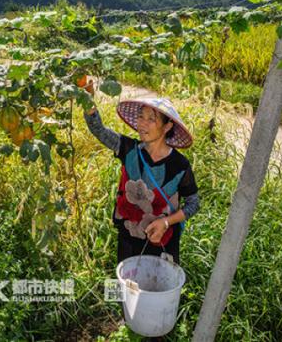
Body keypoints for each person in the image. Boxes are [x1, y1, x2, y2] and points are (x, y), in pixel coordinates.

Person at [83, 83, 200, 266]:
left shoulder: (179, 165)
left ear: (167, 127)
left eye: (151, 119)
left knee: (159, 290)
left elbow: (193, 203)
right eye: (140, 117)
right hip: (129, 236)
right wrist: (87, 99)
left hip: (162, 242)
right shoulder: (128, 149)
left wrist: (167, 222)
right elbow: (99, 130)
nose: (142, 124)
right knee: (130, 288)